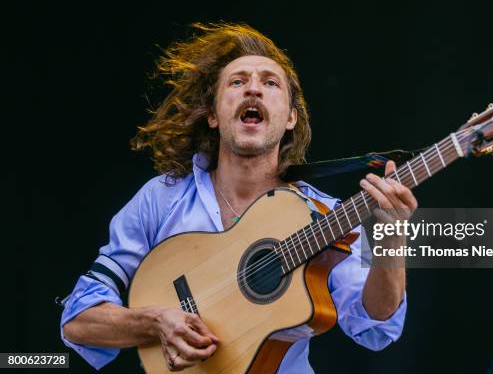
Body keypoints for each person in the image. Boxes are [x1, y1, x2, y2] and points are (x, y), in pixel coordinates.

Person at [60, 23, 417, 372]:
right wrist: (156, 321)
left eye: (270, 83)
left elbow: (375, 327)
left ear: (290, 117)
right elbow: (78, 321)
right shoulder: (162, 198)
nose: (254, 90)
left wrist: (392, 238)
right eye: (237, 81)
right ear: (214, 115)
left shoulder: (323, 215)